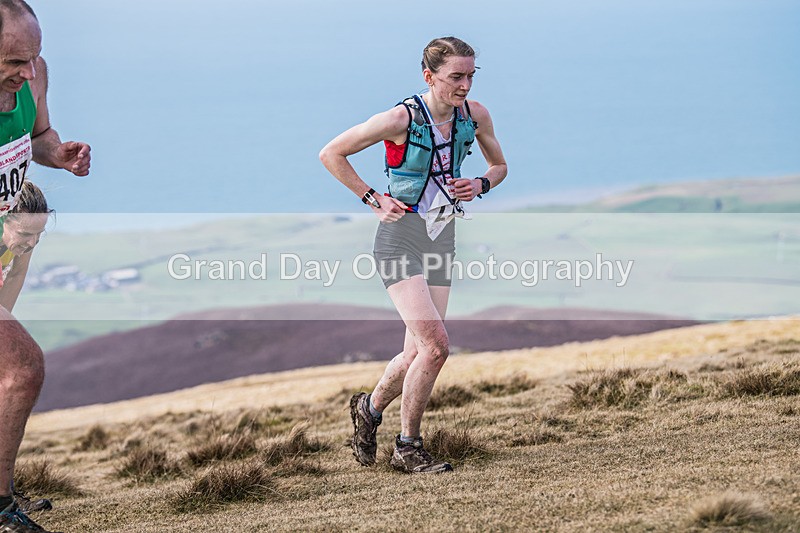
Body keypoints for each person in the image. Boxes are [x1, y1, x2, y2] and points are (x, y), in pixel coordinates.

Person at [320, 37, 507, 473]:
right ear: (429, 76)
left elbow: (499, 166)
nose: (464, 86)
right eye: (455, 77)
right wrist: (372, 197)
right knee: (437, 346)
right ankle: (408, 447)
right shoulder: (399, 118)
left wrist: (480, 184)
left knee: (415, 354)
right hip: (399, 238)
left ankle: (368, 409)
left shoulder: (475, 115)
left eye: (470, 76)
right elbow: (332, 153)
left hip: (441, 236)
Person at [0, 1, 91, 530]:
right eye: (14, 60)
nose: (28, 72)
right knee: (20, 368)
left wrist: (58, 154)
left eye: (34, 57)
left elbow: (37, 136)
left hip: (4, 253)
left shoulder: (33, 79)